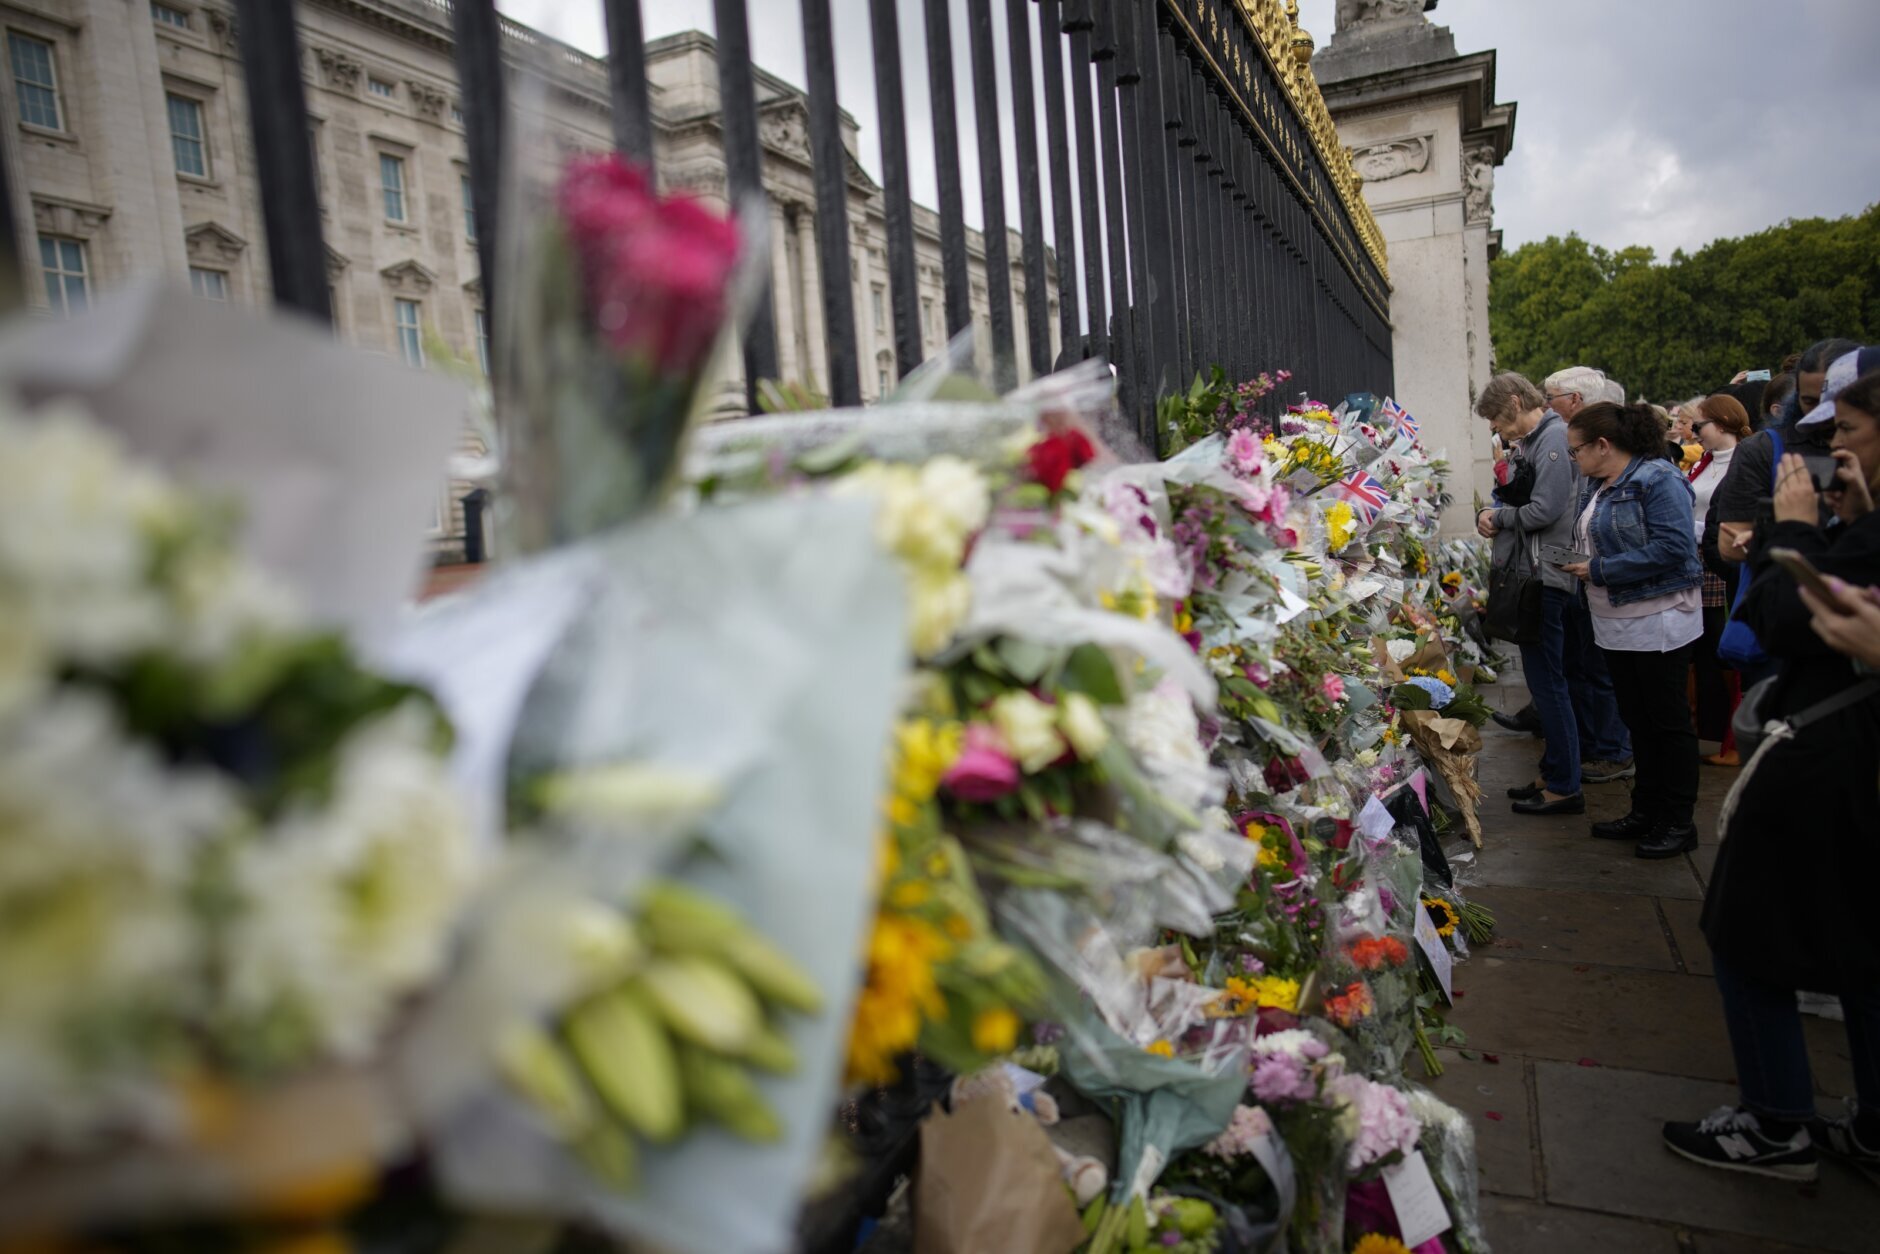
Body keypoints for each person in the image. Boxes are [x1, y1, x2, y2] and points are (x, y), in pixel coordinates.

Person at [1665, 368, 1880, 1182]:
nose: (1832, 451)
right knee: (1863, 946)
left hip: (1831, 749)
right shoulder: (1867, 521)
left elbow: (1791, 619)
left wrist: (1793, 532)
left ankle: (1776, 1120)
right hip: (1850, 745)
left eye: (1848, 433)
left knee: (1747, 931)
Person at [1558, 403, 1704, 856]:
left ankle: (1678, 821)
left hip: (1657, 617)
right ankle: (1646, 809)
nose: (1573, 459)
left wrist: (1602, 569)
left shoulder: (1657, 478)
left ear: (1604, 445)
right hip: (1615, 618)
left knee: (1667, 723)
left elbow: (1675, 548)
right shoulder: (1598, 482)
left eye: (1576, 450)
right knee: (1638, 721)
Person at [1475, 373, 1597, 814]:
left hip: (1545, 577)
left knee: (1549, 684)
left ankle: (1564, 784)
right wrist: (1494, 512)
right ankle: (1555, 771)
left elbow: (1546, 508)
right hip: (1539, 573)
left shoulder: (1553, 438)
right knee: (1547, 682)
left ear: (1514, 401)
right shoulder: (1539, 439)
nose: (1496, 429)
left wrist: (1499, 517)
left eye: (1496, 418)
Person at [1534, 366, 1635, 783]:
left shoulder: (1623, 459)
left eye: (1552, 397)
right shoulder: (1577, 442)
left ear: (1575, 400)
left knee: (1601, 669)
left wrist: (1597, 566)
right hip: (1579, 572)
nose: (1547, 406)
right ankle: (1594, 744)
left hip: (1603, 579)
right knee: (1580, 664)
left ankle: (1614, 751)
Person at [1688, 395, 1752, 764]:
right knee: (1702, 650)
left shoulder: (1742, 461)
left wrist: (1694, 529)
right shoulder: (1705, 462)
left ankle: (1720, 735)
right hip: (1698, 559)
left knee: (1716, 648)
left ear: (1723, 423)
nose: (1695, 433)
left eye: (1700, 426)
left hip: (1720, 561)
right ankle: (1707, 730)